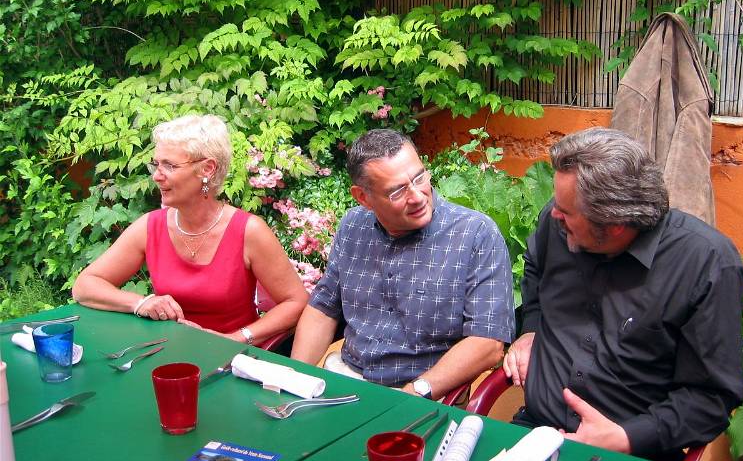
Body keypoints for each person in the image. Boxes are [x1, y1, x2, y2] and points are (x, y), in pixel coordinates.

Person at [503, 127, 743, 461]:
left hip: (633, 455)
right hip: (536, 433)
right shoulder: (557, 222)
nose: (555, 214)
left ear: (614, 224)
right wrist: (531, 329)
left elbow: (710, 399)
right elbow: (535, 267)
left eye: (567, 212)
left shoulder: (706, 264)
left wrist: (627, 437)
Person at [291, 129, 515, 400]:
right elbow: (323, 309)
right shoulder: (353, 226)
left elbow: (488, 342)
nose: (418, 196)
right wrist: (293, 379)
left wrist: (413, 394)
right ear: (363, 198)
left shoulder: (475, 234)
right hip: (347, 377)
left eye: (419, 178)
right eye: (397, 191)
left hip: (425, 392)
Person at [72, 114, 308, 346]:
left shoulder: (248, 231)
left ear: (207, 169)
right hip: (167, 352)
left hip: (231, 359)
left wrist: (235, 339)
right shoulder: (150, 226)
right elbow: (85, 286)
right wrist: (141, 303)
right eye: (156, 164)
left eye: (169, 165)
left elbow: (296, 302)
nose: (156, 176)